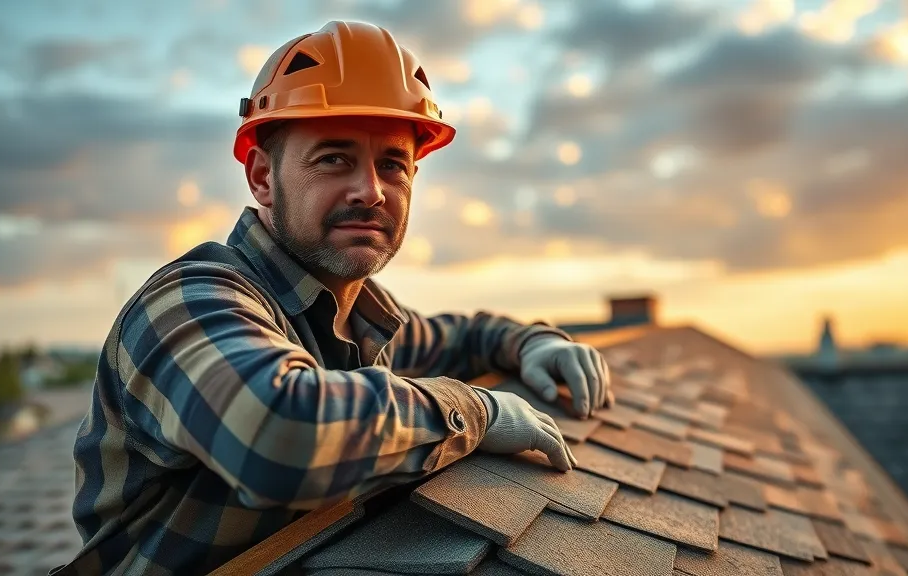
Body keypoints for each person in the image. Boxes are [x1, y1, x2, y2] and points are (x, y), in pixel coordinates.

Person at [58, 21, 612, 576]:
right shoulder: (188, 301)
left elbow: (463, 337)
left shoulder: (363, 316)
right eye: (333, 159)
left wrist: (533, 343)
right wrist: (476, 411)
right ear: (262, 178)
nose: (371, 191)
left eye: (392, 164)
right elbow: (277, 434)